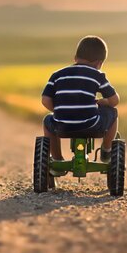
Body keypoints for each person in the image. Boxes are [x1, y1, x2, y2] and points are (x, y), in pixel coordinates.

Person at [41, 35, 119, 165]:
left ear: (75, 57)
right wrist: (103, 102)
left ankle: (56, 159)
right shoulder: (97, 75)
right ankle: (106, 150)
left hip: (62, 126)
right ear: (100, 63)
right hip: (91, 125)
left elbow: (45, 100)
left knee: (47, 121)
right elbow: (114, 100)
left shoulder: (57, 75)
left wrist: (61, 110)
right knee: (113, 112)